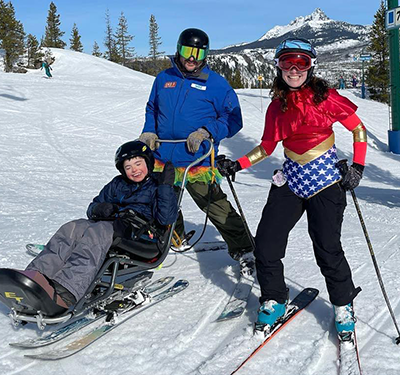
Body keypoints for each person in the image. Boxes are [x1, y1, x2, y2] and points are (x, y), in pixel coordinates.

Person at [217, 38, 367, 341]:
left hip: (325, 181)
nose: (294, 69)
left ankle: (342, 304)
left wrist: (358, 168)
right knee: (267, 244)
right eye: (287, 63)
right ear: (279, 68)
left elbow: (358, 129)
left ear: (311, 67)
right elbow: (267, 147)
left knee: (327, 248)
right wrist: (238, 165)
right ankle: (274, 297)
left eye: (301, 63)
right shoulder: (277, 107)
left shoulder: (326, 98)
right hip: (292, 178)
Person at [139, 28, 254, 273]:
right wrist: (149, 130)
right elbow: (152, 108)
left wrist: (207, 131)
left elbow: (233, 120)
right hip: (163, 156)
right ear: (178, 50)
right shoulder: (163, 78)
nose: (191, 58)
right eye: (187, 51)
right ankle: (174, 236)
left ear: (205, 55)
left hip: (196, 159)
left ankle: (245, 248)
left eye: (198, 53)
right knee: (161, 199)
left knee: (214, 205)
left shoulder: (216, 84)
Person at [21, 141, 178, 310]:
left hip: (142, 234)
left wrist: (166, 187)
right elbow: (92, 207)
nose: (134, 170)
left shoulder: (158, 185)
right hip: (111, 225)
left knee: (98, 232)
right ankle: (36, 276)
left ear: (148, 163)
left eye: (138, 164)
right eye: (128, 167)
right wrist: (100, 209)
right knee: (73, 227)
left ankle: (67, 289)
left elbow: (166, 219)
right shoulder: (118, 183)